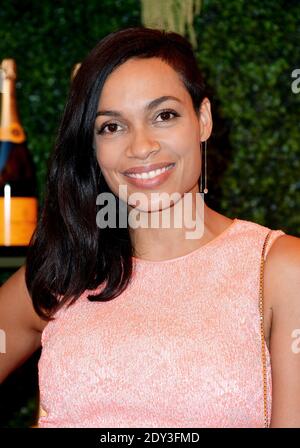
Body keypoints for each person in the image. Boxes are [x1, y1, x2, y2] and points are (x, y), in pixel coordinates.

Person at [0, 26, 300, 429]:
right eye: (112, 126)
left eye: (164, 115)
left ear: (203, 119)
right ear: (92, 144)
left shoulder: (279, 268)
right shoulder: (67, 268)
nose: (141, 147)